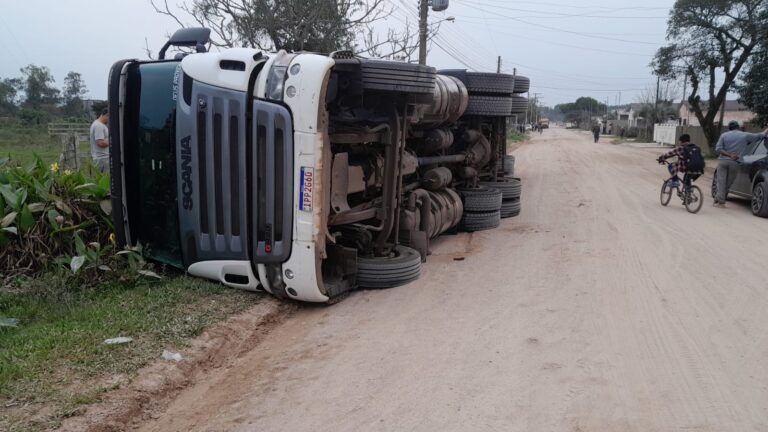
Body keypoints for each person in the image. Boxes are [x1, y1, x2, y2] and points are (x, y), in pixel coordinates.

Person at [713, 120, 768, 207]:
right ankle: (720, 200)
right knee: (728, 182)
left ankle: (719, 199)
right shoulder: (745, 135)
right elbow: (760, 135)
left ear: (729, 128)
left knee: (721, 181)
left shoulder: (724, 135)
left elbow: (718, 149)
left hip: (723, 161)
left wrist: (729, 154)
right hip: (735, 162)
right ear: (738, 127)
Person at [90, 108, 110, 173]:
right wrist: (113, 142)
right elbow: (100, 142)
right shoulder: (99, 126)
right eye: (109, 117)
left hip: (102, 159)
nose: (110, 120)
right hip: (102, 159)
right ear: (106, 115)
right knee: (104, 181)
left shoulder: (99, 124)